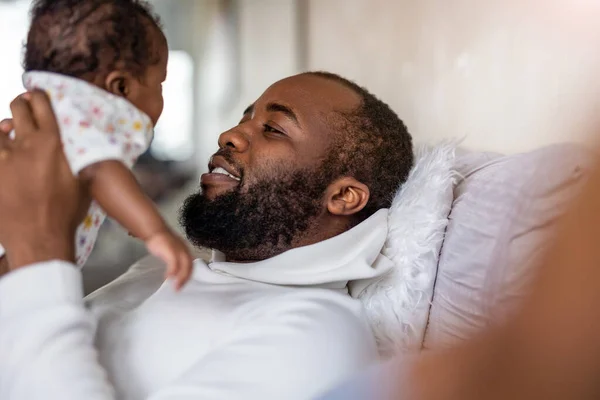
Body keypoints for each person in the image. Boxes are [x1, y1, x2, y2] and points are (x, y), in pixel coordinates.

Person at [0, 71, 414, 399]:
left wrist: (41, 247)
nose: (230, 135)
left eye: (274, 129)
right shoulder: (159, 269)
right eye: (244, 118)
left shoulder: (318, 330)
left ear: (342, 196)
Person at [0, 0, 193, 288]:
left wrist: (131, 214)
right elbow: (100, 172)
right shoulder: (77, 120)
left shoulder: (53, 113)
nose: (162, 98)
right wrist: (156, 231)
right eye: (159, 85)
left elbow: (94, 183)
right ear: (121, 87)